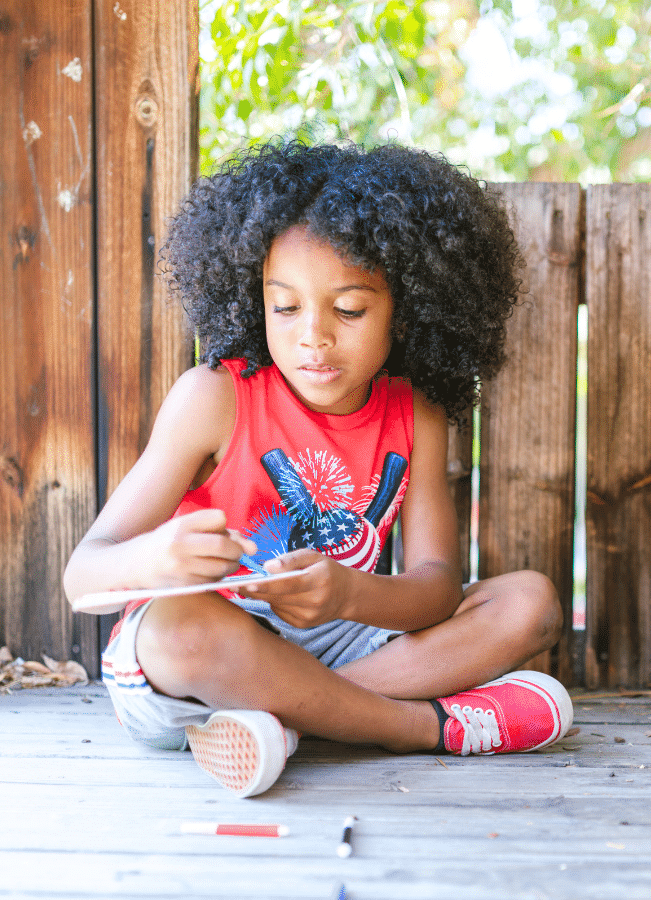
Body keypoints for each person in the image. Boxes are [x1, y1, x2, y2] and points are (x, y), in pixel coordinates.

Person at [63, 141, 571, 798]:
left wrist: (348, 596)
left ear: (408, 308)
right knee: (180, 632)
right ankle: (412, 727)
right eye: (286, 306)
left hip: (340, 639)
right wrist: (157, 558)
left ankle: (285, 722)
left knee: (528, 603)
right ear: (254, 299)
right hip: (202, 660)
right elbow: (84, 574)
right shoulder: (213, 397)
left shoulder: (414, 413)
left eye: (350, 309)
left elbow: (437, 588)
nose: (314, 336)